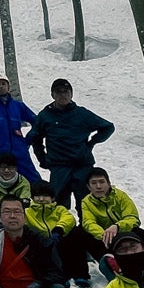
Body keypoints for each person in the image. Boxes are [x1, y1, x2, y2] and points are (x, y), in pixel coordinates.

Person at [27, 79, 114, 208]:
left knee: (87, 205)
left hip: (82, 166)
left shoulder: (82, 114)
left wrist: (91, 143)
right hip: (59, 167)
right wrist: (42, 158)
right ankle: (61, 228)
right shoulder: (45, 116)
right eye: (58, 92)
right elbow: (35, 138)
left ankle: (88, 228)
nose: (63, 95)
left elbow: (108, 127)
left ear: (71, 94)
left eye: (66, 91)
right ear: (52, 95)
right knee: (58, 205)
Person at [26, 185, 95, 288]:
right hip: (42, 243)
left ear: (52, 198)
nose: (41, 199)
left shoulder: (59, 209)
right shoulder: (27, 212)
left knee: (75, 235)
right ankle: (61, 275)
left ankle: (80, 274)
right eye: (37, 196)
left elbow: (69, 219)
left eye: (45, 196)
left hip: (59, 239)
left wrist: (59, 229)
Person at [78, 167, 141, 277]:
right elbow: (88, 223)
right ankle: (108, 263)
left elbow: (132, 217)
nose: (98, 186)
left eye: (102, 182)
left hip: (122, 232)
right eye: (94, 183)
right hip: (102, 237)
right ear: (88, 186)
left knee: (140, 233)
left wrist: (117, 227)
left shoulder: (120, 196)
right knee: (80, 233)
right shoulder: (86, 202)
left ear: (108, 183)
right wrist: (104, 234)